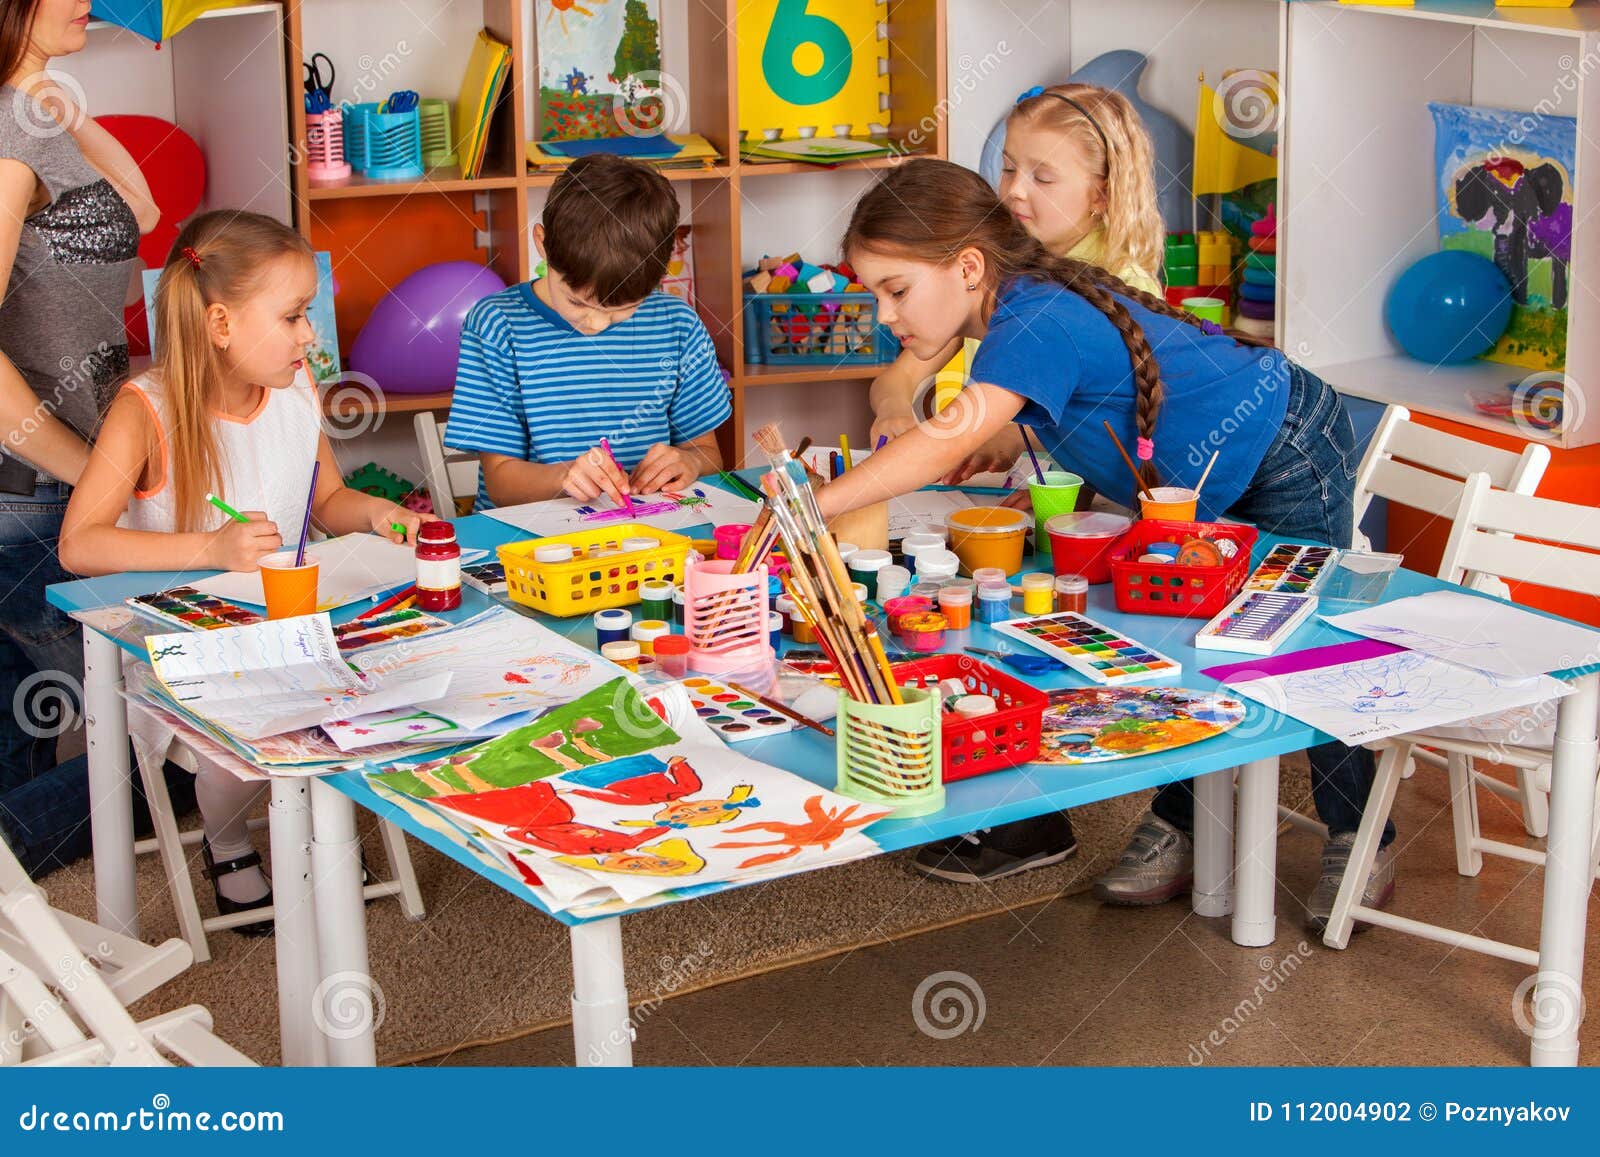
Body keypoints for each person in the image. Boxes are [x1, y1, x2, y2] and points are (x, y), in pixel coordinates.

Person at [818, 159, 1396, 930]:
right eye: (874, 294)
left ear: (967, 266)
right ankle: (1187, 819)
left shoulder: (1032, 317)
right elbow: (1088, 402)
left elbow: (934, 440)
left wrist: (813, 502)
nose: (887, 314)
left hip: (1283, 441)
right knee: (1201, 639)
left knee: (1295, 640)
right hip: (1210, 475)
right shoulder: (1014, 313)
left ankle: (1362, 832)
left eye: (896, 289)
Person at [60, 210, 428, 932]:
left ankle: (316, 825)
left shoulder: (297, 393)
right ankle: (227, 840)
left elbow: (326, 498)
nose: (310, 336)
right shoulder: (147, 410)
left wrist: (380, 515)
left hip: (285, 626)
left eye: (308, 315)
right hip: (177, 645)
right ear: (221, 323)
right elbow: (80, 544)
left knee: (372, 689)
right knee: (245, 745)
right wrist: (211, 550)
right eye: (293, 317)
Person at [876, 84, 1166, 884]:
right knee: (975, 625)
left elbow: (1098, 422)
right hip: (1009, 492)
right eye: (1007, 167)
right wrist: (905, 415)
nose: (1012, 191)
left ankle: (1034, 813)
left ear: (1101, 194)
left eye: (1041, 175)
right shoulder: (999, 259)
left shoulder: (1107, 284)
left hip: (1083, 506)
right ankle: (1013, 807)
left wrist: (994, 438)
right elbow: (899, 378)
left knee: (1027, 633)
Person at [0, 0, 187, 878]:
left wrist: (60, 99)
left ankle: (18, 924)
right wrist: (93, 476)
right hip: (34, 481)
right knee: (169, 728)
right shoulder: (7, 133)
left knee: (23, 715)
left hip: (46, 479)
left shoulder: (35, 117)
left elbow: (146, 210)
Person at [445, 153, 731, 511]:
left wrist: (688, 462)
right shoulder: (496, 325)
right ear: (542, 244)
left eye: (618, 312)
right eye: (578, 303)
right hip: (528, 547)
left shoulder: (678, 325)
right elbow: (501, 480)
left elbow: (706, 453)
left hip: (647, 537)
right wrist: (563, 478)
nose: (594, 325)